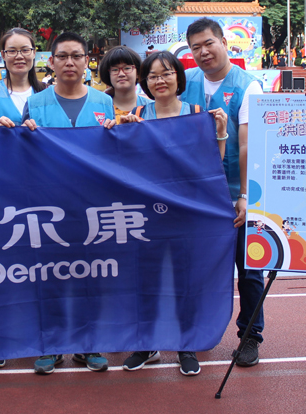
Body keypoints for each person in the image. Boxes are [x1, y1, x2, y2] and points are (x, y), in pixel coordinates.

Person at [118, 50, 228, 375]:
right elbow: (122, 163)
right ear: (145, 82)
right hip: (145, 215)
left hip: (186, 214)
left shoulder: (196, 113)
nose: (160, 81)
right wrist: (121, 131)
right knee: (146, 279)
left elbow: (214, 163)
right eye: (153, 76)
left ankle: (186, 345)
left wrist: (220, 131)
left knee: (185, 280)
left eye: (166, 74)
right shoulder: (136, 114)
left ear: (178, 78)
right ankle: (147, 344)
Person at [20, 31, 115, 375]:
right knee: (50, 276)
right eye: (62, 56)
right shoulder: (36, 104)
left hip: (93, 208)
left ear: (87, 61)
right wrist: (19, 132)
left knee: (93, 276)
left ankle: (90, 345)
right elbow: (21, 154)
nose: (70, 62)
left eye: (77, 56)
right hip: (49, 208)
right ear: (51, 61)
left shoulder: (104, 103)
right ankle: (52, 344)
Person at [178, 18, 265, 369]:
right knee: (198, 270)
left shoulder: (249, 86)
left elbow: (247, 145)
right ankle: (198, 331)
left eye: (208, 43)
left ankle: (250, 336)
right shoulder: (186, 82)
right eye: (195, 47)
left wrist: (245, 195)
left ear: (224, 43)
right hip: (198, 198)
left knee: (249, 270)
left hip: (236, 195)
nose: (203, 52)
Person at [0, 28, 44, 128]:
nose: (19, 56)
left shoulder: (46, 92)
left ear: (34, 53)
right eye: (12, 51)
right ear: (3, 55)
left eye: (25, 50)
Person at [97, 45, 150, 120]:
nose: (121, 74)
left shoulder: (151, 108)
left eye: (127, 68)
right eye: (115, 70)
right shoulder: (98, 108)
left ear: (138, 73)